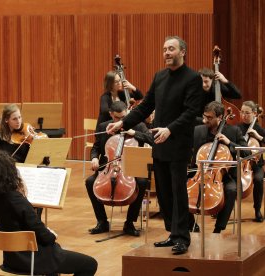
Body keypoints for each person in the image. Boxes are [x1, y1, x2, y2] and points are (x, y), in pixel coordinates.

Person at [106, 36, 204, 255]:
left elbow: (191, 112)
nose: (167, 53)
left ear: (183, 52)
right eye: (164, 49)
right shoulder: (159, 77)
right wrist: (123, 122)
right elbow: (145, 106)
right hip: (159, 142)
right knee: (164, 193)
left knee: (178, 192)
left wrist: (170, 129)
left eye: (171, 49)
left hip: (178, 143)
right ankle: (172, 233)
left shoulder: (192, 78)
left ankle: (182, 237)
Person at [0, 151, 98, 276]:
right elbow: (46, 237)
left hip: (12, 260)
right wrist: (51, 235)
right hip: (32, 260)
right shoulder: (16, 199)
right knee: (90, 264)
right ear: (10, 173)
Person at [86, 101, 152, 236]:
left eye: (124, 117)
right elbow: (96, 147)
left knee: (142, 182)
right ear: (111, 114)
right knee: (89, 182)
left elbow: (151, 139)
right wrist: (94, 158)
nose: (121, 121)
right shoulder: (104, 127)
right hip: (109, 168)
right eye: (118, 118)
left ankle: (129, 223)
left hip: (132, 168)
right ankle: (102, 221)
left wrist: (135, 133)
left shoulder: (138, 125)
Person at [189, 101, 249, 233]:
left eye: (209, 118)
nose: (205, 120)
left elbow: (247, 152)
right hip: (199, 173)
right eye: (204, 116)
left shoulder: (234, 131)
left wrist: (229, 143)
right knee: (178, 187)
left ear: (220, 117)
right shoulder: (198, 130)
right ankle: (191, 224)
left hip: (224, 176)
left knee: (232, 190)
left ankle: (218, 229)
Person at [237, 101, 265, 222]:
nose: (243, 115)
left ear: (254, 113)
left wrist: (258, 137)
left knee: (258, 180)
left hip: (256, 165)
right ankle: (222, 209)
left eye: (247, 113)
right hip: (239, 163)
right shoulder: (236, 128)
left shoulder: (259, 129)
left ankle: (257, 210)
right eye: (242, 112)